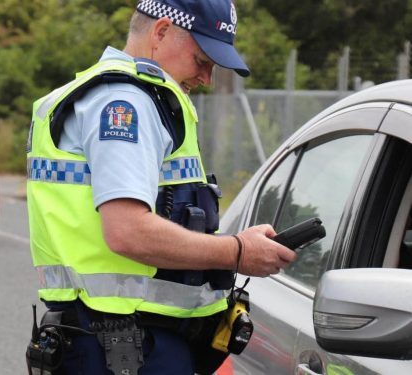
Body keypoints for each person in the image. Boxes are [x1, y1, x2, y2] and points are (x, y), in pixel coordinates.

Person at [25, 1, 297, 374]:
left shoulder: (114, 96)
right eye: (202, 59)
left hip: (110, 340)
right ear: (162, 31)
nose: (206, 78)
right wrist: (236, 252)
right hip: (123, 345)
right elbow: (127, 232)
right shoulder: (125, 106)